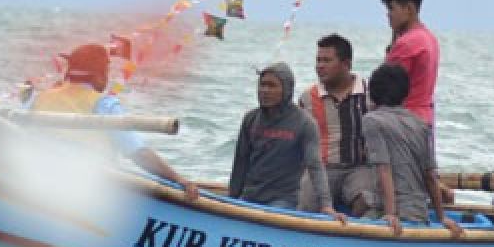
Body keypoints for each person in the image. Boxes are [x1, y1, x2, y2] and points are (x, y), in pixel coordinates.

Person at [32, 43, 198, 200]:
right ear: (101, 73)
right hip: (88, 188)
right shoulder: (105, 104)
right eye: (108, 71)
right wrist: (178, 179)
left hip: (38, 176)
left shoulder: (39, 98)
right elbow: (139, 154)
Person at [229, 63, 342, 220]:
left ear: (287, 89)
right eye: (262, 85)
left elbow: (315, 166)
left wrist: (326, 205)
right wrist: (231, 200)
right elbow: (240, 164)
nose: (265, 91)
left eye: (272, 86)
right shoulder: (251, 119)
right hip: (250, 195)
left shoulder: (305, 123)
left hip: (283, 200)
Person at [362, 64, 463, 237]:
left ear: (372, 92)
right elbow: (430, 176)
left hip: (395, 214)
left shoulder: (372, 120)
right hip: (419, 213)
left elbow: (384, 169)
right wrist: (441, 217)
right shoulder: (421, 125)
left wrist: (391, 214)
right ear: (405, 94)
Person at [297, 34, 375, 216]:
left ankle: (356, 239)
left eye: (326, 60)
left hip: (360, 167)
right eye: (318, 60)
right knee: (305, 204)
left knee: (368, 201)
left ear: (346, 64)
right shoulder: (307, 98)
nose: (320, 66)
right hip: (322, 169)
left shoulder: (370, 93)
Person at [382, 0, 440, 128]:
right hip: (424, 120)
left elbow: (385, 90)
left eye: (392, 8)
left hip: (404, 122)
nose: (388, 14)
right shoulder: (430, 38)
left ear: (409, 9)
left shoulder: (407, 44)